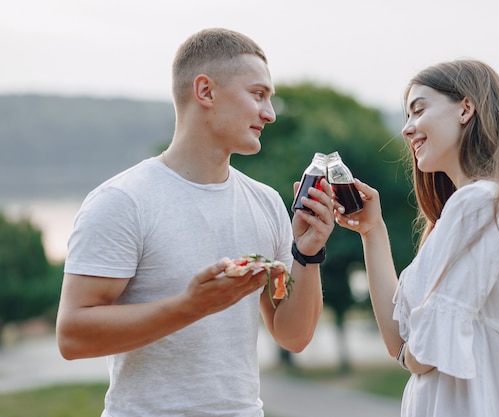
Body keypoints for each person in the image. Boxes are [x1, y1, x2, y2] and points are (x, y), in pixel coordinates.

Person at [56, 28, 335, 417]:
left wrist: (308, 254)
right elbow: (72, 337)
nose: (269, 114)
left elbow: (293, 336)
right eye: (258, 95)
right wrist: (192, 306)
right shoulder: (122, 201)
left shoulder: (267, 203)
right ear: (205, 92)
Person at [335, 59, 499, 417]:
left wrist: (416, 348)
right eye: (406, 116)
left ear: (466, 108)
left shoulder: (480, 204)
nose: (407, 129)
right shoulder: (465, 213)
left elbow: (420, 354)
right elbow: (400, 344)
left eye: (418, 110)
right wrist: (373, 231)